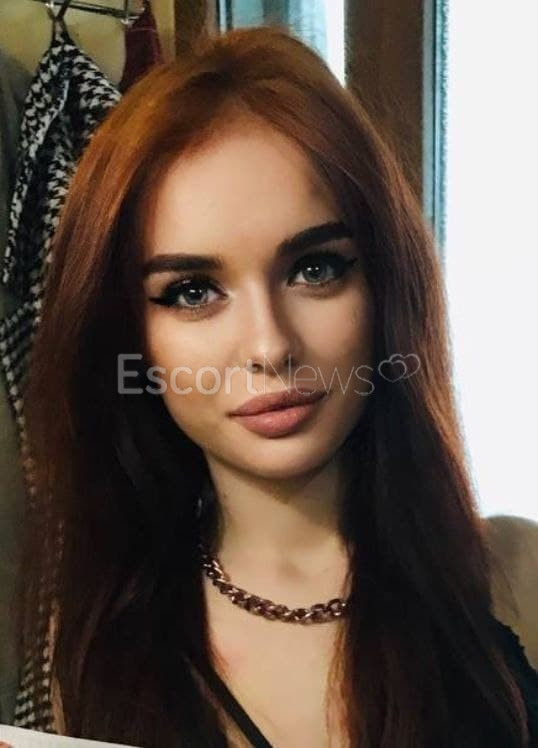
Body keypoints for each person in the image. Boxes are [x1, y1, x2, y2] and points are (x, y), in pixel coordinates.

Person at [11, 24, 538, 748]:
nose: (269, 346)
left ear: (386, 283)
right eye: (192, 291)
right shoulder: (99, 634)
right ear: (127, 336)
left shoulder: (518, 577)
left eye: (315, 269)